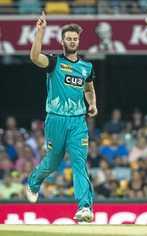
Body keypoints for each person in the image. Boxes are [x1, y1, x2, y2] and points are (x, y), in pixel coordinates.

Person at [25, 12, 97, 223]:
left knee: (79, 162)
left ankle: (84, 207)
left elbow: (89, 87)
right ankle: (33, 183)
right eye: (69, 38)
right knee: (52, 162)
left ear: (78, 41)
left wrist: (92, 103)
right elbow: (34, 57)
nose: (72, 41)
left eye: (75, 38)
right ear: (62, 40)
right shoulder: (54, 63)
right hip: (55, 119)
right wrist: (39, 33)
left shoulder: (87, 67)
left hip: (77, 122)